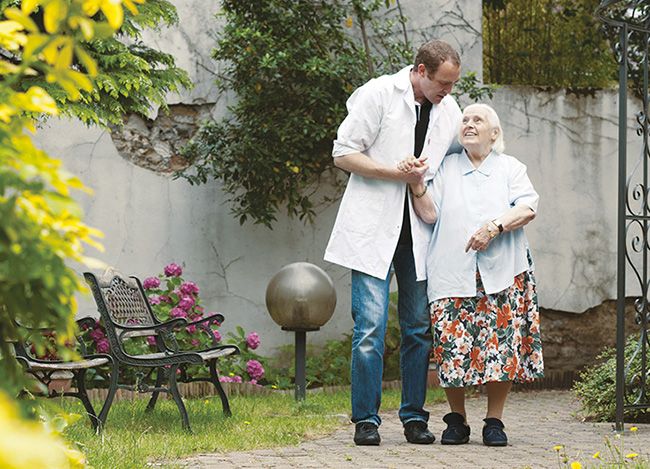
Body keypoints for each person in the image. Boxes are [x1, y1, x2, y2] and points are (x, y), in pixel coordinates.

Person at [324, 39, 462, 446]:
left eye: (453, 85)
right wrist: (394, 171)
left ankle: (414, 418)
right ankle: (366, 419)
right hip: (372, 228)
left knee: (419, 328)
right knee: (370, 327)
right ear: (420, 70)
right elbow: (343, 153)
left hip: (418, 232)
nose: (447, 92)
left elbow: (456, 159)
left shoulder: (449, 110)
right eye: (442, 83)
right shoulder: (379, 94)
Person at [402, 103, 544, 446]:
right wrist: (417, 184)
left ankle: (494, 421)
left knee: (501, 347)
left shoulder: (510, 168)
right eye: (464, 119)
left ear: (494, 133)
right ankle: (457, 420)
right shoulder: (447, 167)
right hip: (452, 270)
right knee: (453, 346)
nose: (468, 123)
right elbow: (430, 214)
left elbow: (527, 207)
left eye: (477, 120)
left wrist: (494, 227)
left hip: (502, 272)